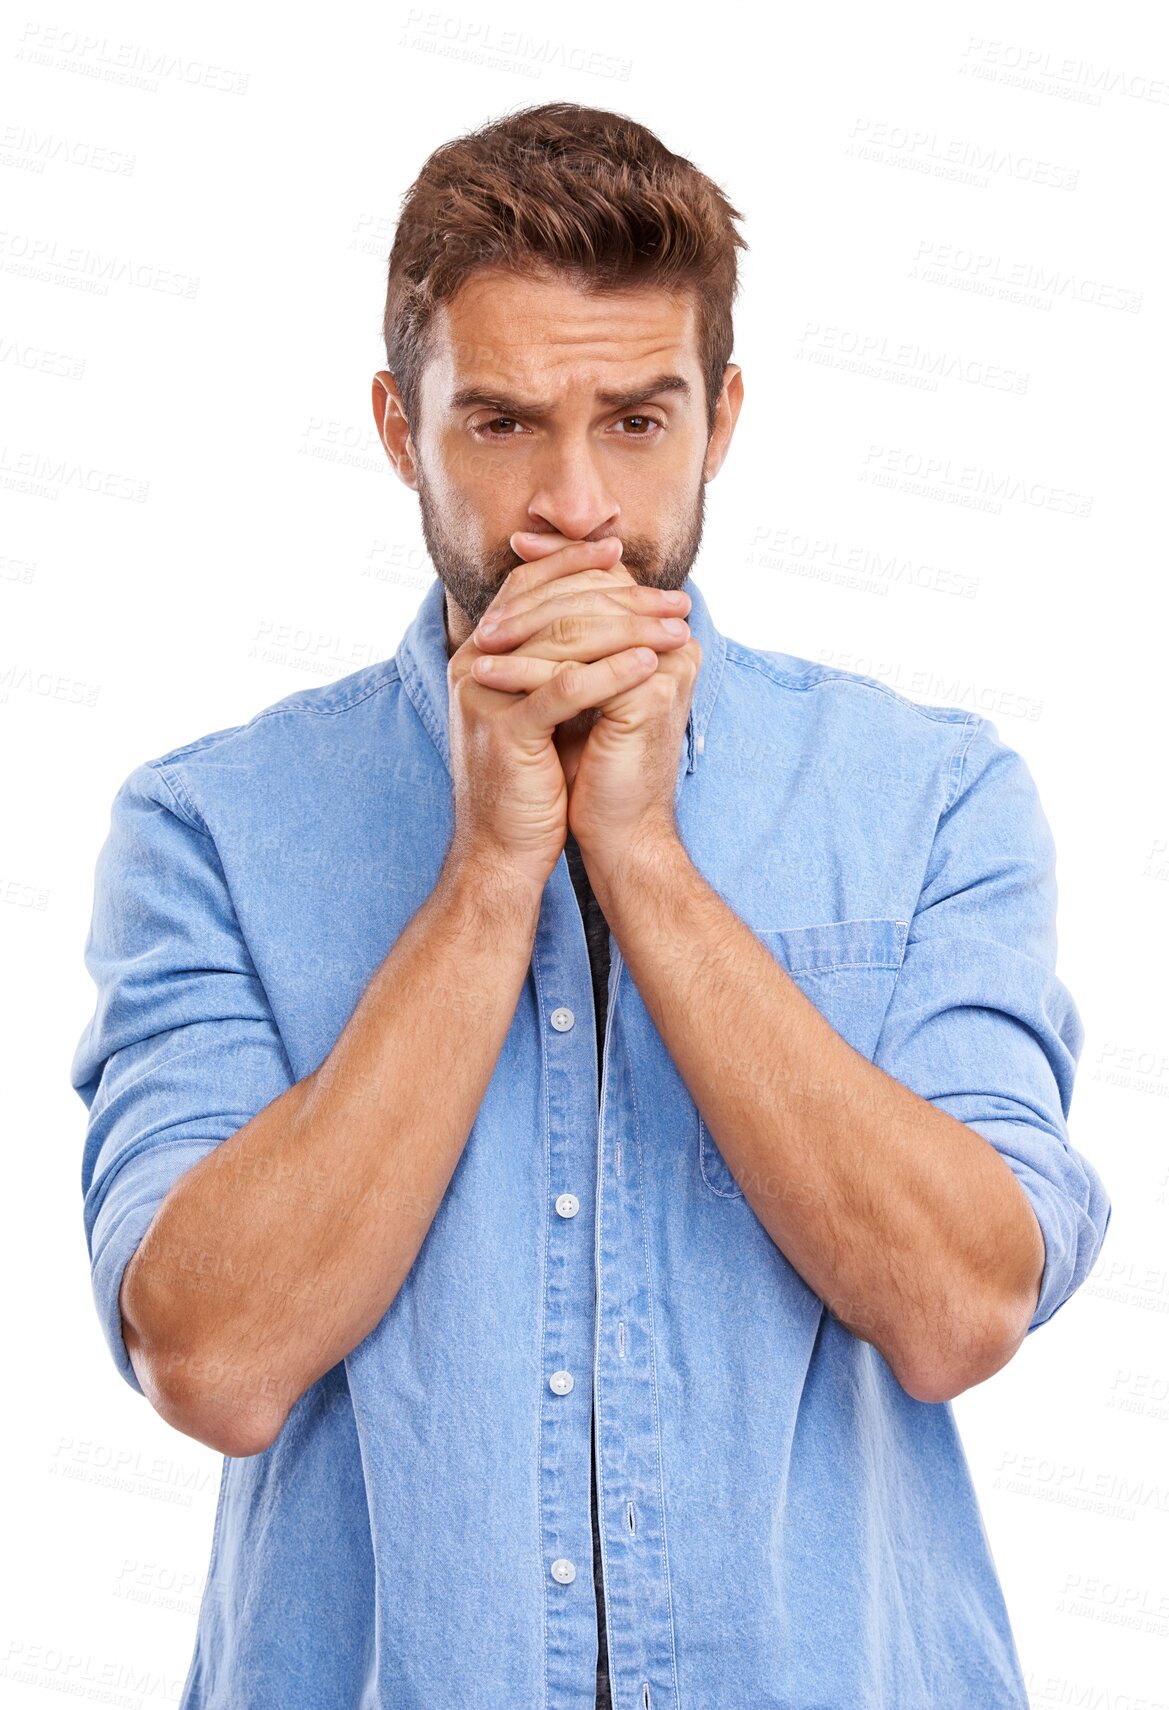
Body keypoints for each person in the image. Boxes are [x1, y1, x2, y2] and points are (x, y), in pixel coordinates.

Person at [71, 101, 1111, 1710]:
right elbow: (212, 1358)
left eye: (635, 421)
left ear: (723, 419)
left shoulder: (930, 800)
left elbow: (960, 1308)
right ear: (396, 428)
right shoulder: (207, 826)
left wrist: (647, 863)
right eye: (498, 424)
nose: (573, 507)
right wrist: (493, 874)